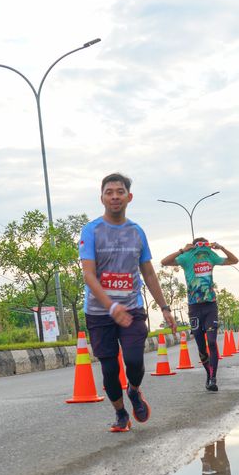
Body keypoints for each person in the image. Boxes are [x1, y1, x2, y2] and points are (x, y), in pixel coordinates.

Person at [80, 173, 177, 433]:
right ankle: (120, 412)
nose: (114, 196)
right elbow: (88, 274)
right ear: (101, 198)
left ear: (129, 197)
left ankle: (134, 391)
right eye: (109, 192)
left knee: (134, 360)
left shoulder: (137, 232)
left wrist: (165, 308)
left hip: (132, 308)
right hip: (99, 313)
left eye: (119, 192)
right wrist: (111, 306)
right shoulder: (91, 231)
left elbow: (149, 273)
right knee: (110, 369)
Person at [161, 238, 238, 392]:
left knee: (211, 342)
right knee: (201, 347)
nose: (203, 250)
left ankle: (213, 378)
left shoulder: (211, 256)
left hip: (210, 306)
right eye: (200, 246)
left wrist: (221, 247)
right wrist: (182, 250)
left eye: (206, 246)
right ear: (193, 247)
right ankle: (208, 374)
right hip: (194, 308)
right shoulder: (186, 257)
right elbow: (164, 262)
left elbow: (234, 260)